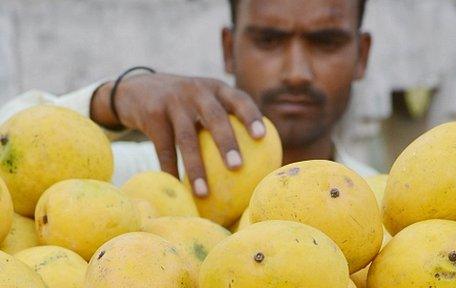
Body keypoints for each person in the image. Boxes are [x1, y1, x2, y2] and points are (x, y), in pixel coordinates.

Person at [0, 0, 376, 196]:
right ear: (229, 49)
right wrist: (111, 100)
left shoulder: (383, 209)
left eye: (326, 43)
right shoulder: (148, 175)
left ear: (362, 55)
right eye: (269, 40)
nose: (297, 71)